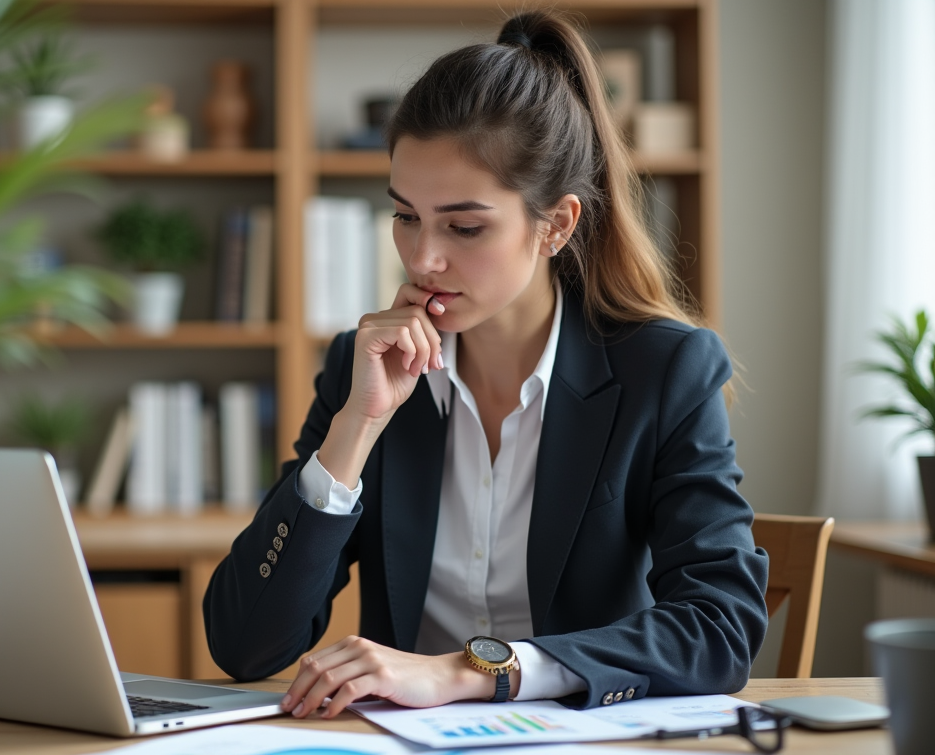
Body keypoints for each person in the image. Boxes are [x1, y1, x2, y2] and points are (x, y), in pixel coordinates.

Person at [203, 9, 769, 718]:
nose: (423, 258)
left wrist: (470, 672)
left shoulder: (665, 370)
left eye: (464, 227)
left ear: (556, 225)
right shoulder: (366, 366)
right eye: (406, 215)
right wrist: (355, 430)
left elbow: (721, 629)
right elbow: (244, 644)